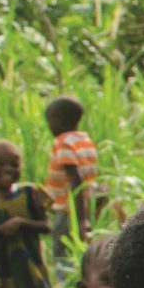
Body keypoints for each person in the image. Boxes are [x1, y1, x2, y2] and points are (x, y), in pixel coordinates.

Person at [0, 138, 57, 288]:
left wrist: (22, 223)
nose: (8, 169)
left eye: (14, 164)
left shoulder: (31, 193)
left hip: (30, 265)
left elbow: (46, 227)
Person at [42, 94, 100, 239]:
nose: (49, 126)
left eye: (49, 121)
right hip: (86, 204)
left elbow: (75, 180)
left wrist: (80, 219)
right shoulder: (85, 140)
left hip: (69, 208)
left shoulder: (63, 142)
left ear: (58, 120)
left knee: (62, 248)